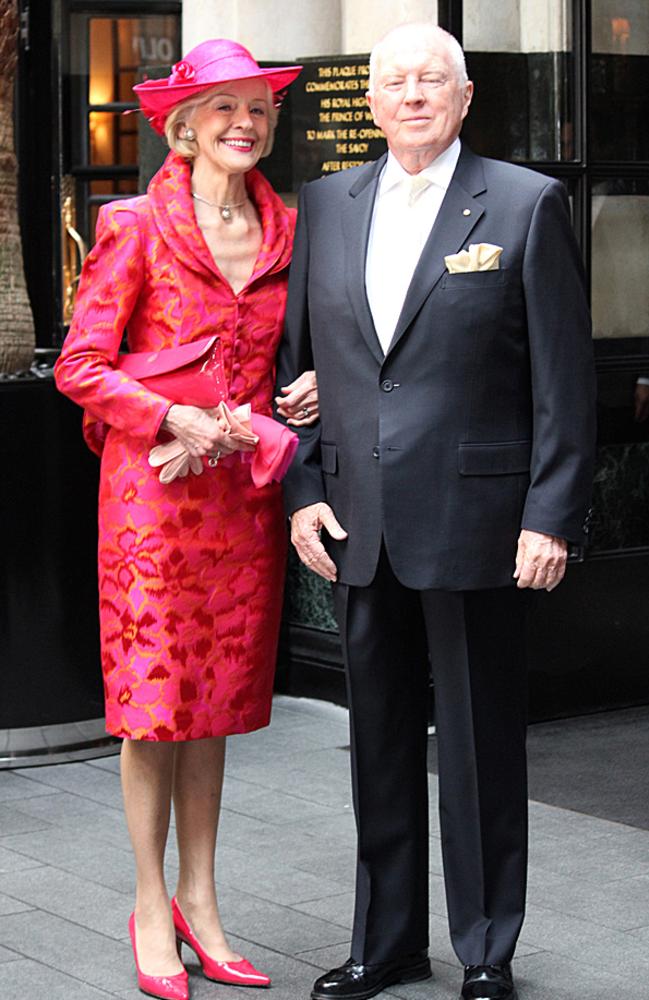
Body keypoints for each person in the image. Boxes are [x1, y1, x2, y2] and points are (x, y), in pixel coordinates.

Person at [276, 22, 595, 1000]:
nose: (411, 94)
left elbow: (562, 380)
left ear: (463, 100)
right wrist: (301, 494)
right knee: (373, 742)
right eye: (394, 81)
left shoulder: (524, 202)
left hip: (479, 524)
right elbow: (295, 368)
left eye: (431, 80)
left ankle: (486, 948)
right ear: (369, 104)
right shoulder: (325, 205)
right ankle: (387, 942)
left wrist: (549, 514)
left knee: (477, 745)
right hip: (357, 524)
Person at [55, 39, 315, 1000]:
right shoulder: (132, 224)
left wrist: (305, 393)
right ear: (184, 125)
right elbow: (82, 365)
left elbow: (296, 351)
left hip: (241, 503)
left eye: (259, 110)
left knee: (213, 714)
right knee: (156, 712)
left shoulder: (291, 231)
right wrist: (170, 413)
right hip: (152, 504)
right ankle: (148, 904)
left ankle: (203, 905)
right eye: (225, 109)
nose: (244, 124)